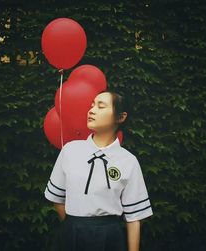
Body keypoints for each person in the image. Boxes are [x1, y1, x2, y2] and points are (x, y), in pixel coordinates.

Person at [44, 89, 153, 251]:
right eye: (92, 105)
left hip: (110, 238)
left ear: (121, 117)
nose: (92, 110)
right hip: (71, 233)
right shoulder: (70, 150)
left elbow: (134, 217)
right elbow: (56, 198)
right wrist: (76, 224)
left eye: (101, 107)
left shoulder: (128, 161)